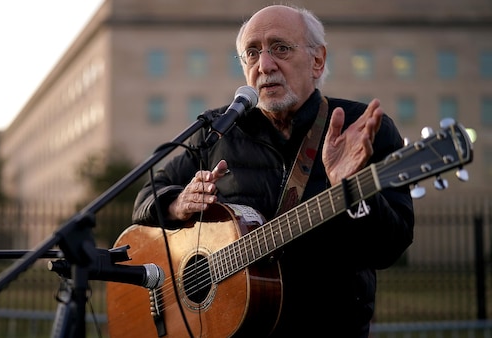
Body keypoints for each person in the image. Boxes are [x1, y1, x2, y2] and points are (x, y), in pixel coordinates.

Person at [132, 4, 414, 337]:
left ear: (317, 60)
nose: (265, 65)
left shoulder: (363, 129)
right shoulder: (218, 130)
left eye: (280, 48)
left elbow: (390, 247)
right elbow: (144, 200)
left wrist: (352, 190)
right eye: (252, 53)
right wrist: (177, 203)